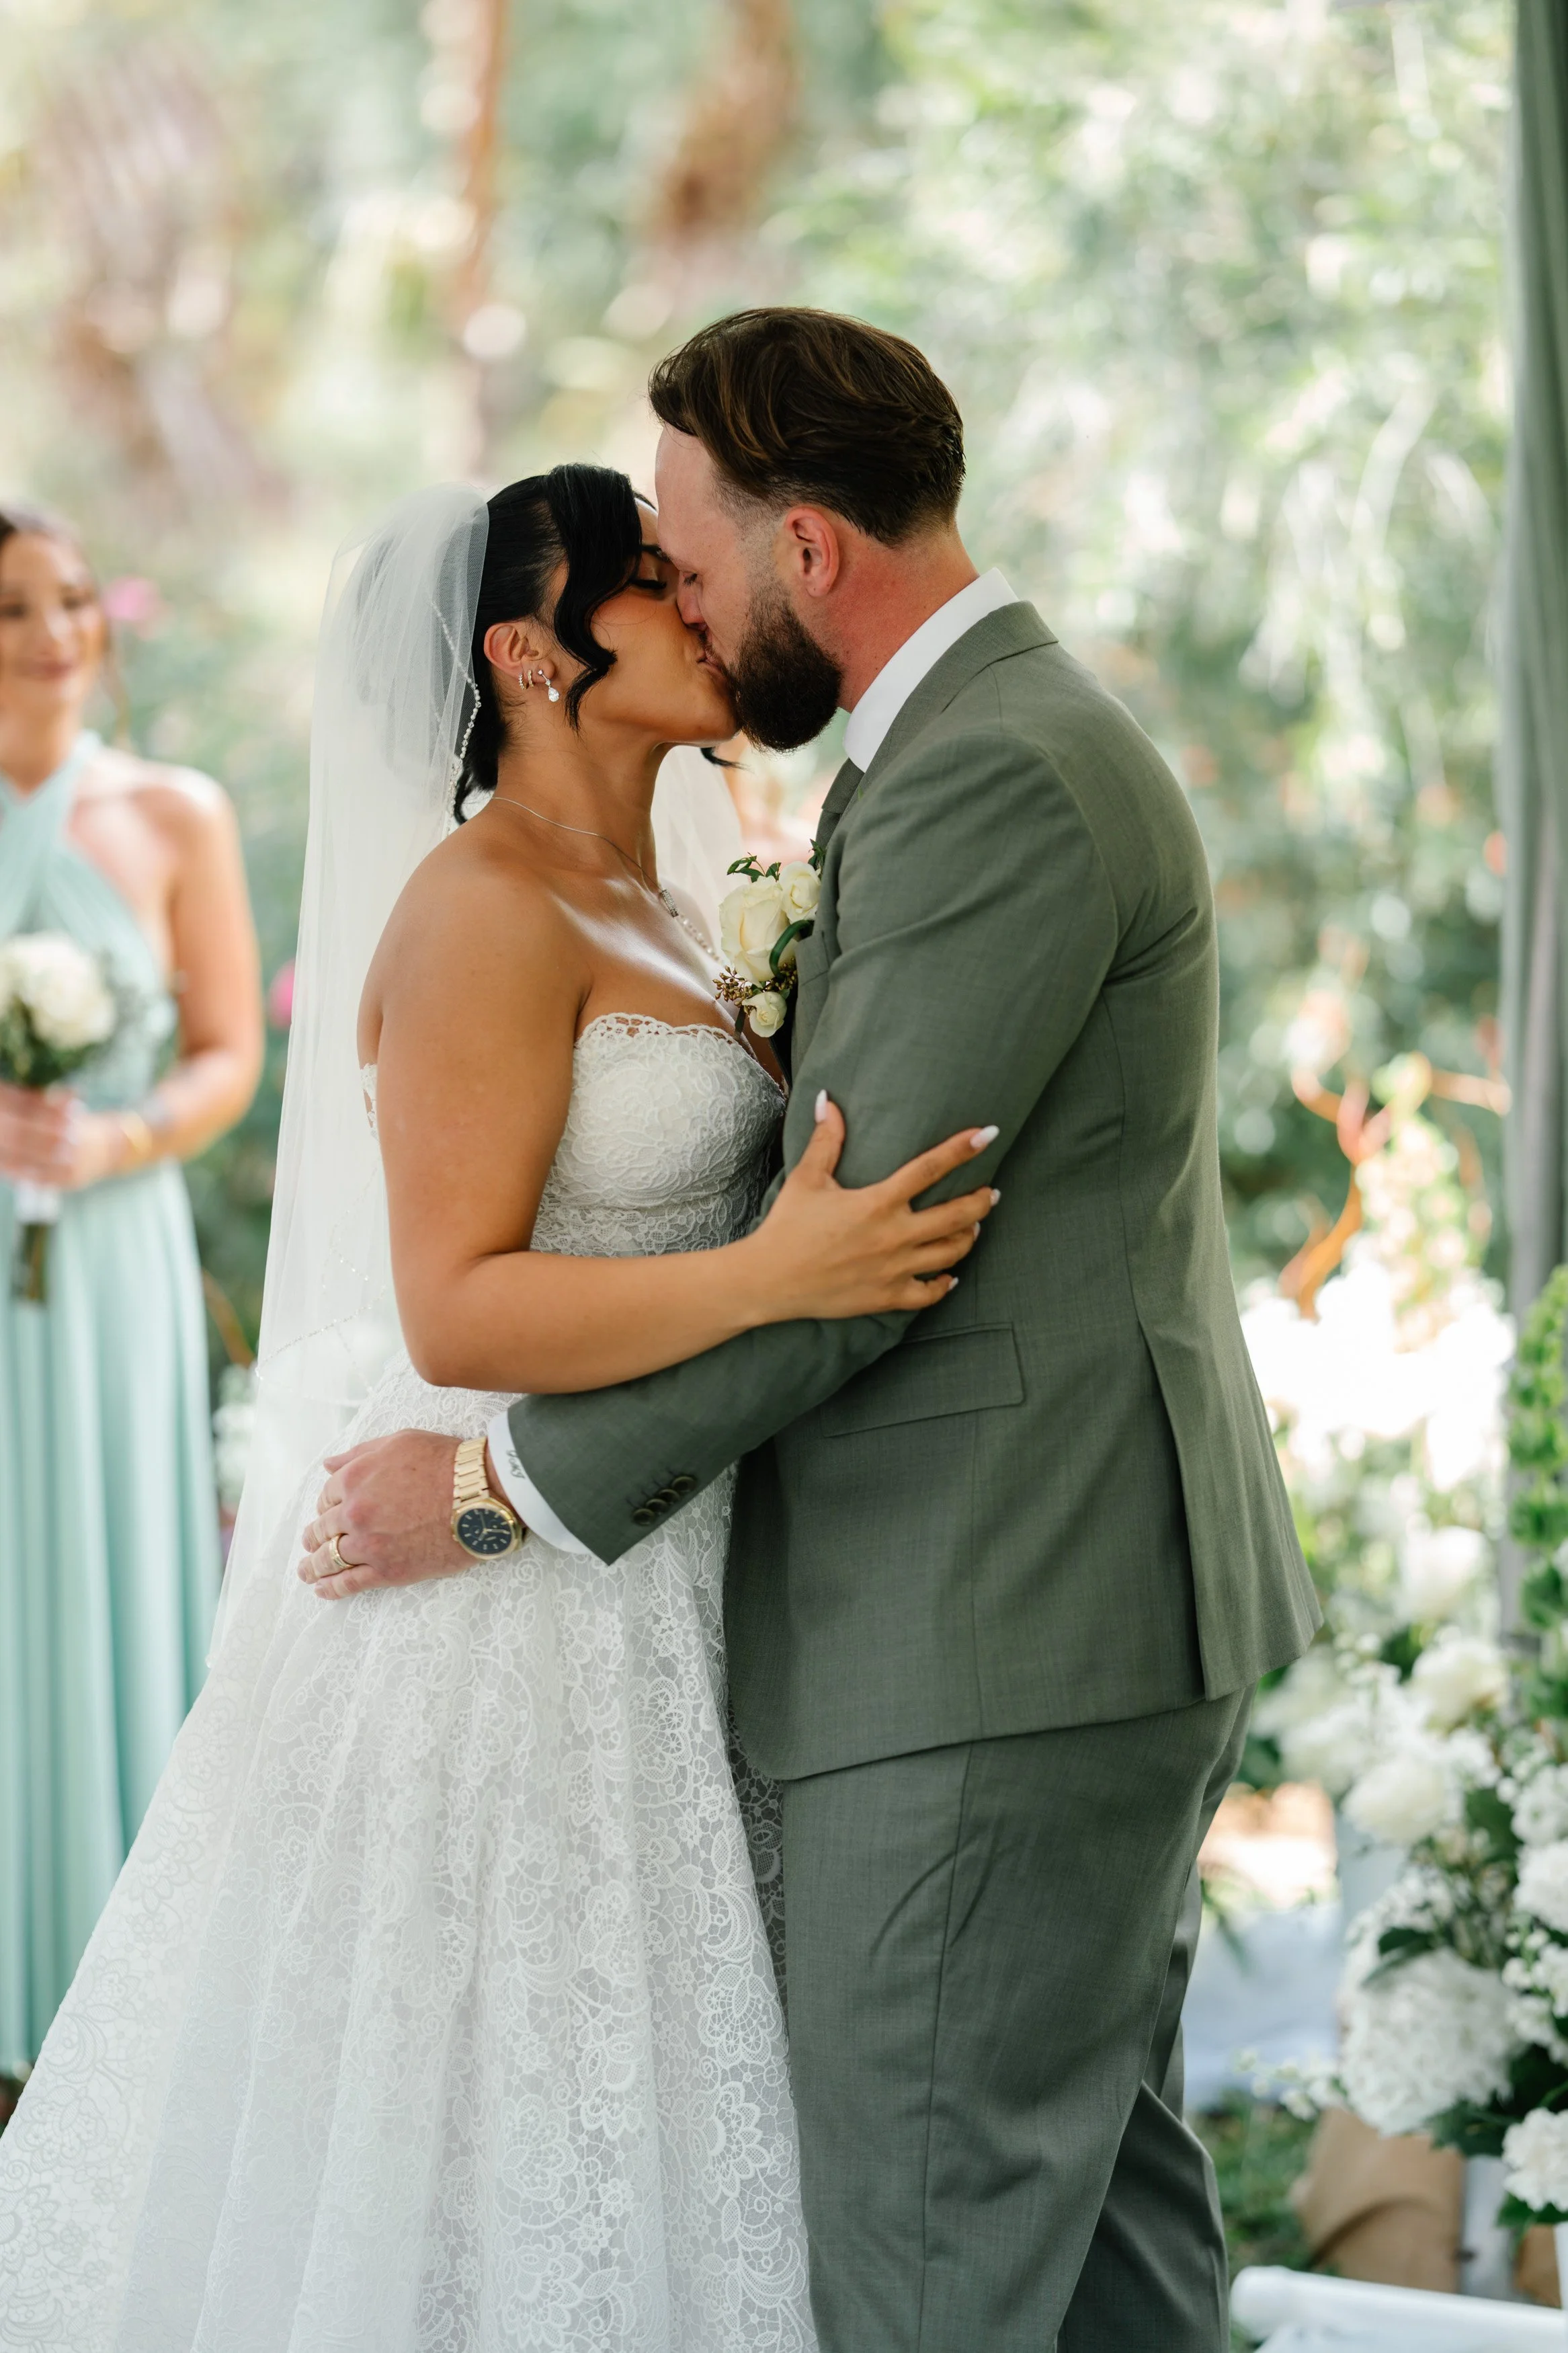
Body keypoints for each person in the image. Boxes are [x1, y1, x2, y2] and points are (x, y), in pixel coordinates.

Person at [309, 312, 1323, 2351]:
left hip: (990, 1613)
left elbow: (853, 1265)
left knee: (924, 2264)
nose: (685, 601)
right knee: (1092, 2238)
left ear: (808, 549)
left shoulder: (989, 777)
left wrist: (496, 1489)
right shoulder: (957, 756)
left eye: (688, 560)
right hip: (1019, 1610)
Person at [0, 467, 995, 2348]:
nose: (699, 603)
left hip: (666, 1554)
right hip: (507, 1598)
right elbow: (457, 1303)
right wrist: (777, 1273)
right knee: (486, 2113)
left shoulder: (674, 893)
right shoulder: (481, 907)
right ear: (530, 654)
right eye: (648, 579)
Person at [0, 504, 262, 2103]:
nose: (54, 634)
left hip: (109, 1253)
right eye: (12, 607)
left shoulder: (173, 813)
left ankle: (110, 2012)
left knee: (101, 1568)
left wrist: (115, 1137)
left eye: (73, 599)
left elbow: (230, 1051)